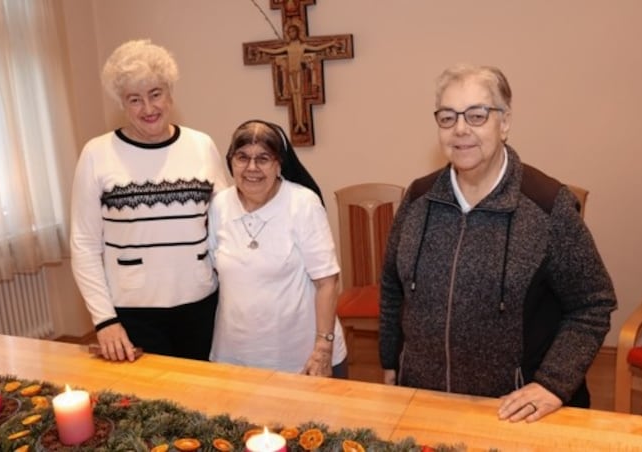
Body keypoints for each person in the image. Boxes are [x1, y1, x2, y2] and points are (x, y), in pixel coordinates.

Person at [379, 64, 617, 422]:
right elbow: (392, 287)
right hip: (425, 404)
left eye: (477, 115)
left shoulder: (547, 206)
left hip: (511, 413)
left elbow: (593, 304)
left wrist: (554, 383)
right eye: (447, 117)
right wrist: (390, 362)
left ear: (504, 123)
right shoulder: (418, 199)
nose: (460, 129)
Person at [70, 39, 228, 362]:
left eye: (155, 94)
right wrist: (105, 320)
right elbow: (84, 245)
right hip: (132, 313)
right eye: (134, 99)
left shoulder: (201, 145)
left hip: (202, 305)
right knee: (148, 405)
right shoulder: (96, 154)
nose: (148, 108)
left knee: (206, 400)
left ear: (170, 93)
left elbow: (225, 227)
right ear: (122, 104)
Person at [208, 119, 347, 377]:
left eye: (263, 158)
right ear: (231, 161)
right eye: (242, 157)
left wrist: (322, 348)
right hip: (234, 358)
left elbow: (327, 282)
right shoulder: (220, 205)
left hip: (302, 359)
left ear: (279, 164)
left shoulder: (303, 203)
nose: (252, 168)